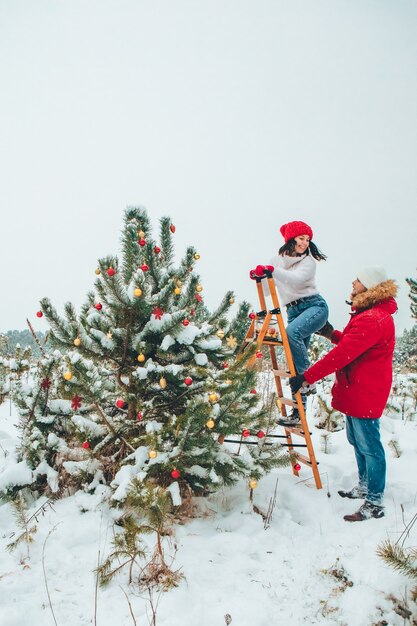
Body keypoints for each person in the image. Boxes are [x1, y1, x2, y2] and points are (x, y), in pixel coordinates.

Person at [289, 266, 397, 522]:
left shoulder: (374, 319)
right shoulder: (368, 314)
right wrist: (330, 333)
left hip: (365, 391)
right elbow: (351, 343)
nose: (353, 281)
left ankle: (375, 501)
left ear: (369, 287)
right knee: (357, 441)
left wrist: (306, 377)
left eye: (358, 280)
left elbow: (343, 355)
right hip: (356, 389)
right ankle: (364, 485)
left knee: (370, 447)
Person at [268, 220, 329, 426]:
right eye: (301, 238)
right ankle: (297, 415)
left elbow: (293, 280)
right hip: (293, 310)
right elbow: (269, 289)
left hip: (314, 307)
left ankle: (308, 379)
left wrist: (271, 271)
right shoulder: (278, 261)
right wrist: (260, 276)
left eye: (308, 239)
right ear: (291, 238)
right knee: (295, 364)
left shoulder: (307, 262)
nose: (305, 243)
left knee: (290, 333)